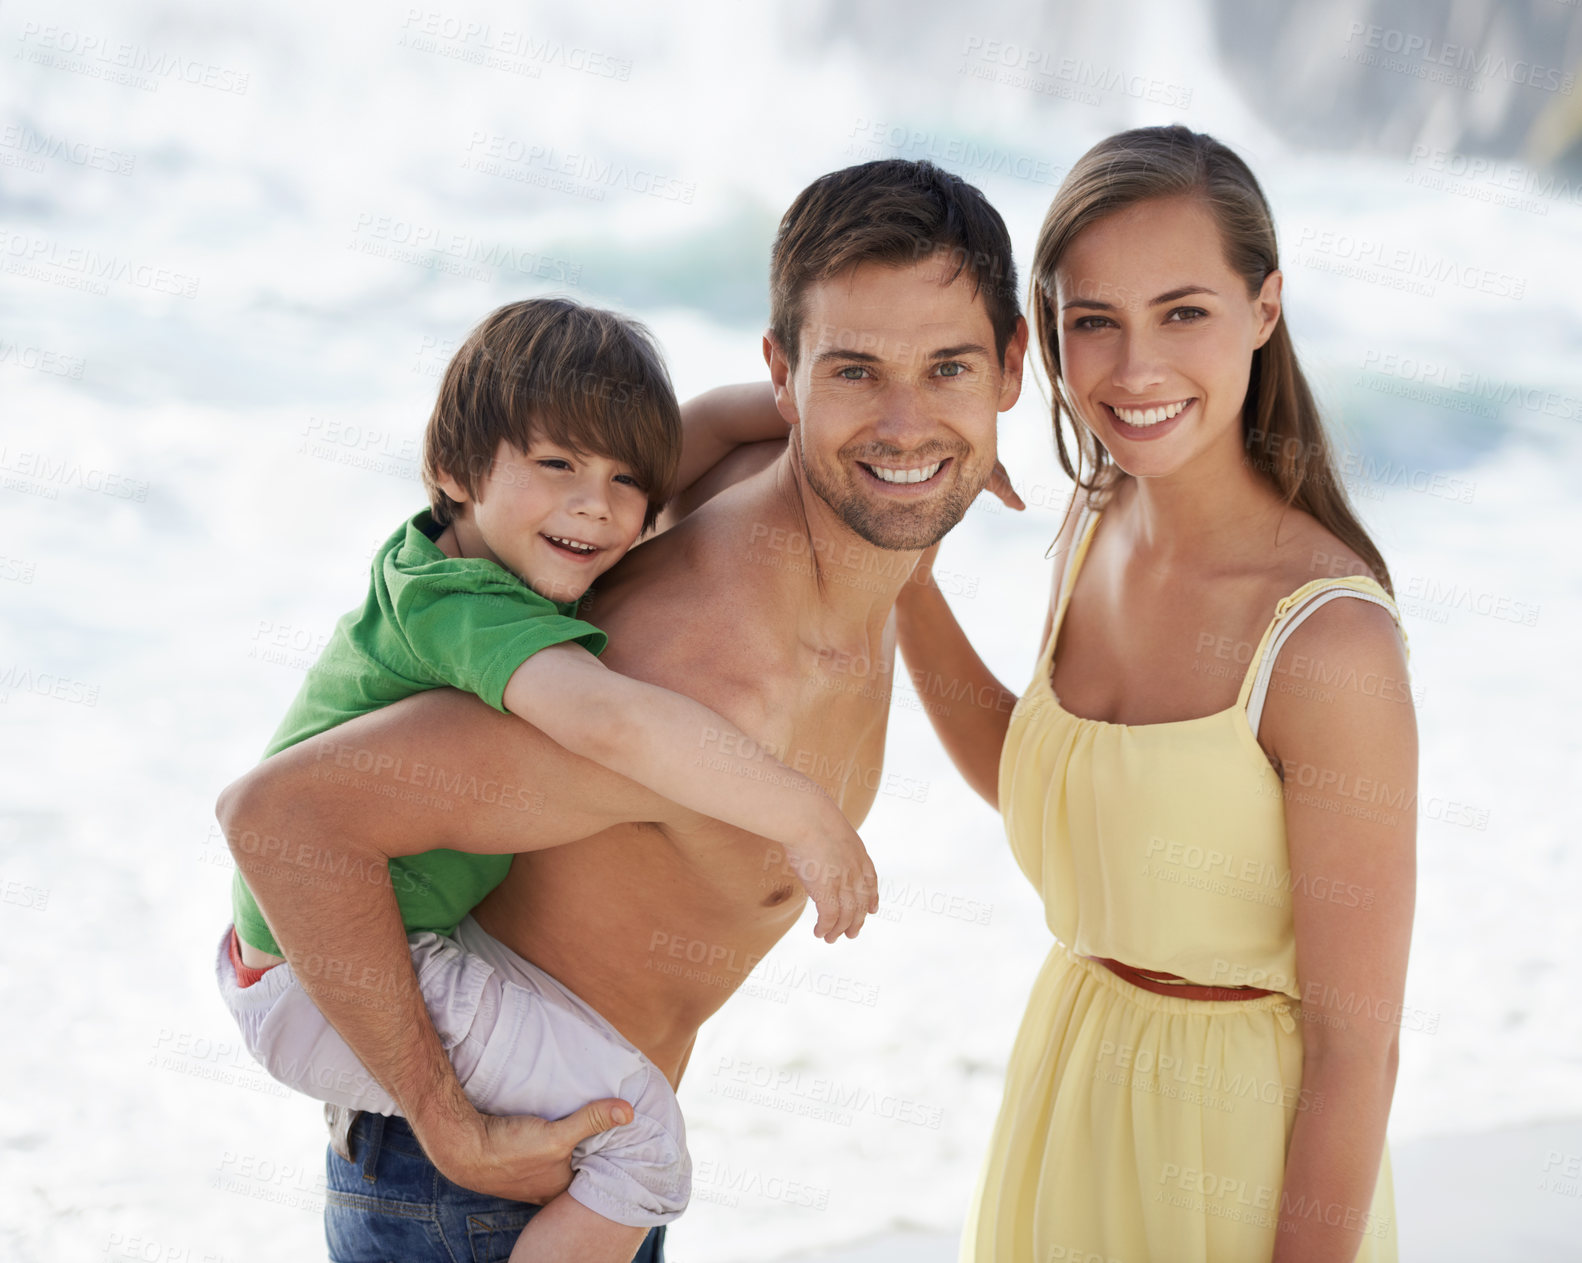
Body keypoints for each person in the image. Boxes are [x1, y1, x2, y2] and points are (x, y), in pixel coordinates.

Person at [215, 158, 1029, 1263]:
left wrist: (925, 495)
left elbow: (756, 442)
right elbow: (282, 821)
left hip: (566, 1178)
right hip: (478, 1195)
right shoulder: (692, 695)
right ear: (786, 378)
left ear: (1012, 371)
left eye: (947, 371)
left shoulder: (803, 486)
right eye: (855, 374)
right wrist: (453, 1130)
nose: (902, 419)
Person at [893, 125, 1414, 1262]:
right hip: (1068, 1086)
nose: (1134, 372)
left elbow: (1354, 1052)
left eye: (1183, 312)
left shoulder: (1327, 641)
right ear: (1047, 335)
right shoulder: (1093, 524)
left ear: (1263, 310)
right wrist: (903, 576)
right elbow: (1060, 788)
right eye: (1095, 322)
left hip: (1230, 1159)